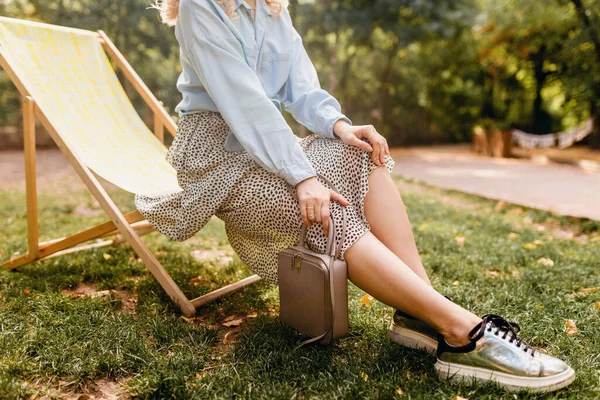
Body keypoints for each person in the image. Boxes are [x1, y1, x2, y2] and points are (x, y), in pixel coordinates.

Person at [136, 0, 575, 392]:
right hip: (217, 159)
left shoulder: (273, 8)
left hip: (269, 149)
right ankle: (461, 331)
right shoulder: (201, 7)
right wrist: (303, 176)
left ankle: (419, 311)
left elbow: (301, 90)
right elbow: (247, 106)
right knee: (325, 209)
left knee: (361, 153)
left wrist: (343, 127)